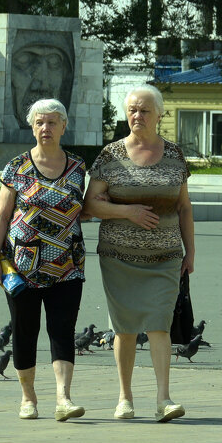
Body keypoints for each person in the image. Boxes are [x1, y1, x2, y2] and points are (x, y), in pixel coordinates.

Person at [83, 85, 194, 423]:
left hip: (166, 256)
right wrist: (127, 212)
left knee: (160, 322)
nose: (137, 116)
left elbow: (185, 208)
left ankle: (164, 399)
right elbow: (89, 205)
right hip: (119, 257)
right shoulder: (111, 155)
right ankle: (125, 398)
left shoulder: (174, 154)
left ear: (159, 114)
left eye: (144, 110)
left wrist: (191, 252)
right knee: (126, 327)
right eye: (132, 109)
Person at [0, 98, 88, 422]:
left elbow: (84, 208)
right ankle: (28, 398)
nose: (46, 128)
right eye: (40, 123)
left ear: (63, 126)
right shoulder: (16, 167)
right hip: (22, 266)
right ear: (32, 127)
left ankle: (63, 398)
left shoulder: (77, 167)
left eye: (52, 122)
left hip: (67, 265)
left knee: (63, 330)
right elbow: (2, 216)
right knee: (24, 330)